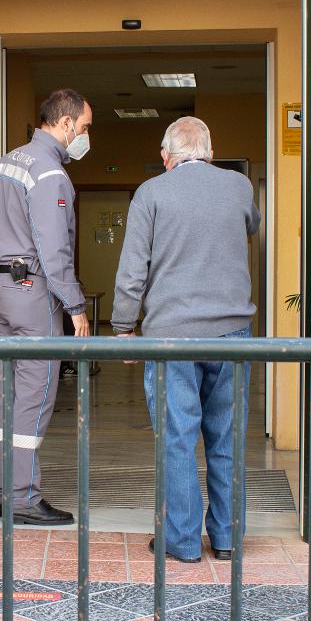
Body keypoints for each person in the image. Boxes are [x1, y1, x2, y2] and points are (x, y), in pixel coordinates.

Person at [110, 116, 260, 563]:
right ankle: (229, 538)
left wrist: (122, 327)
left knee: (177, 437)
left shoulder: (151, 193)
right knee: (227, 436)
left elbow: (132, 269)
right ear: (210, 152)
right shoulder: (239, 186)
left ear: (165, 156)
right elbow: (250, 226)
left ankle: (181, 542)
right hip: (232, 333)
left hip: (170, 335)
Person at [0, 88, 93, 525]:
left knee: (2, 392)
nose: (85, 135)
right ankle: (23, 498)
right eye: (86, 126)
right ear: (66, 123)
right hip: (33, 294)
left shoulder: (8, 161)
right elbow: (53, 248)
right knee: (34, 395)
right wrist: (75, 305)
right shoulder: (50, 173)